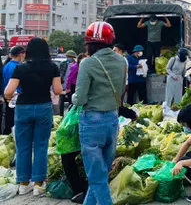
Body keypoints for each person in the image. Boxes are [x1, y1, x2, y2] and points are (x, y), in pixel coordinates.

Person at [73, 21, 127, 205]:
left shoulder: (88, 63)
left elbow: (80, 99)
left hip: (92, 122)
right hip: (112, 119)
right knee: (101, 172)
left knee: (96, 177)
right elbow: (121, 91)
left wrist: (72, 98)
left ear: (89, 43)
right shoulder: (122, 61)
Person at [4, 38, 62, 196]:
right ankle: (38, 184)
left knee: (23, 147)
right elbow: (57, 90)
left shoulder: (21, 68)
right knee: (41, 146)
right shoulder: (52, 67)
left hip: (23, 108)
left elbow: (8, 92)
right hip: (43, 107)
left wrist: (14, 96)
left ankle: (23, 184)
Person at [2, 46, 25, 135]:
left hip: (7, 96)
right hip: (15, 97)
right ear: (20, 55)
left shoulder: (6, 65)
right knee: (15, 123)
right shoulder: (18, 67)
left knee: (9, 120)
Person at [59, 50, 77, 116]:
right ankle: (60, 116)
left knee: (71, 103)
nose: (68, 58)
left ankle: (70, 116)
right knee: (61, 102)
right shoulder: (63, 64)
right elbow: (60, 73)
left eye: (69, 56)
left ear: (72, 57)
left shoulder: (76, 65)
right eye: (67, 56)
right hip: (63, 86)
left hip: (71, 87)